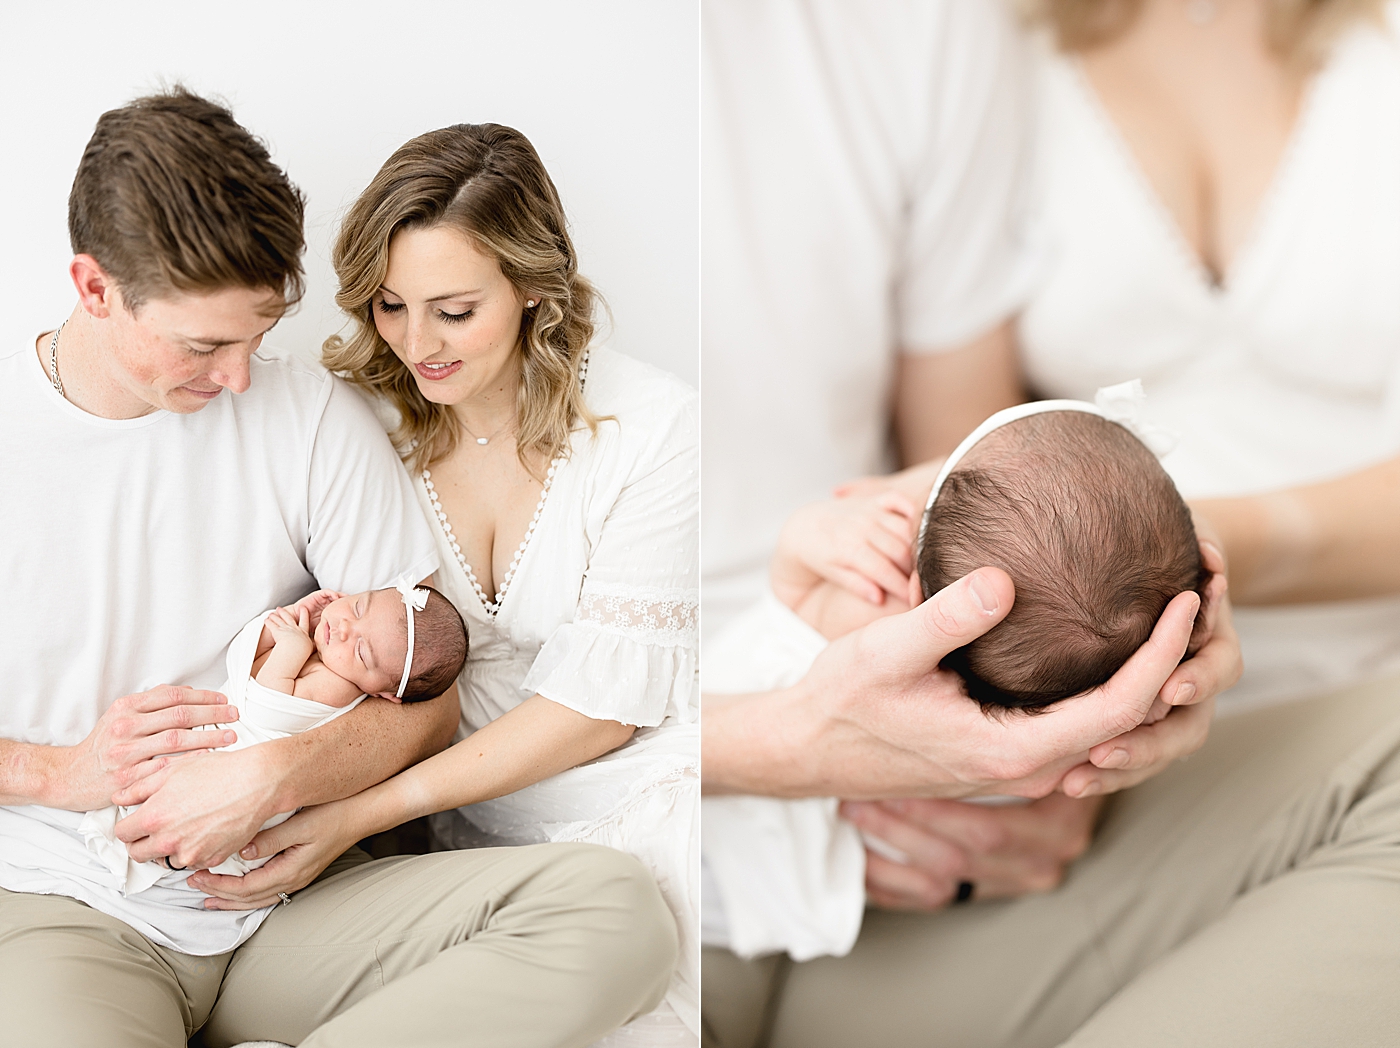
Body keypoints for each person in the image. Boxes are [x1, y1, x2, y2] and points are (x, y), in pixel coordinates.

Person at [707, 2, 1400, 1046]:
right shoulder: (979, 36)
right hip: (1084, 677)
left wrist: (1200, 554)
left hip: (1247, 660)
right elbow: (959, 480)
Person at [0, 88, 675, 1048]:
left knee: (613, 911)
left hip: (288, 905)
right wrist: (58, 771)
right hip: (71, 910)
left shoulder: (310, 417)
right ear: (95, 287)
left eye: (260, 334)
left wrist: (277, 777)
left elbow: (428, 693)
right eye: (206, 344)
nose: (239, 377)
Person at [181, 122, 701, 1047]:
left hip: (637, 793)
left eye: (453, 311)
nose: (417, 344)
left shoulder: (654, 428)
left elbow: (603, 711)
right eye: (387, 305)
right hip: (462, 843)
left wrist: (358, 815)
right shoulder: (353, 425)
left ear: (535, 290)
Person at [703, 388, 1217, 962]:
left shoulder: (863, 618)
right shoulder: (1087, 718)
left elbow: (784, 612)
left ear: (921, 595)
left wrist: (806, 535)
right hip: (802, 879)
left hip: (722, 855)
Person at [79, 584, 468, 898]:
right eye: (359, 607)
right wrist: (296, 616)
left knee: (176, 799)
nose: (345, 628)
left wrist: (292, 644)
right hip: (231, 741)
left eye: (362, 651)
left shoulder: (338, 687)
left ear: (382, 694)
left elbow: (267, 703)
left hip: (245, 758)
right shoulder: (332, 652)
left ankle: (158, 845)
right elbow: (254, 653)